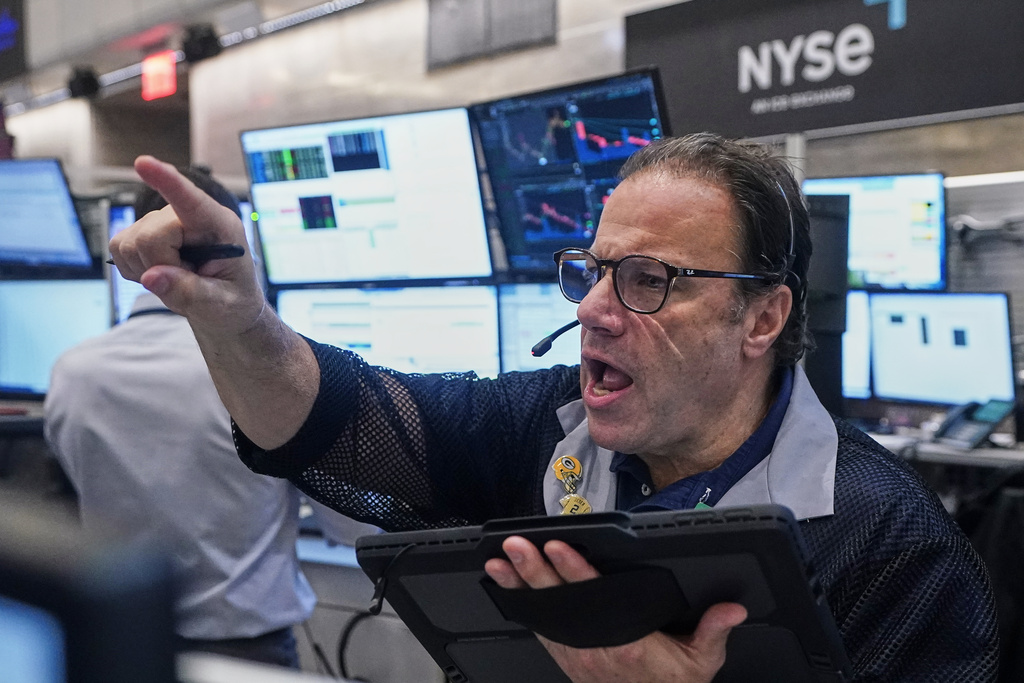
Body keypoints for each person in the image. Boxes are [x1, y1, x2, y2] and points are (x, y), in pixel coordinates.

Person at [109, 134, 999, 682]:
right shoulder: (545, 426)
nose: (595, 309)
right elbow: (332, 426)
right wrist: (236, 321)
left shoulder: (887, 541)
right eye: (595, 271)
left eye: (650, 279)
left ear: (762, 316)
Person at [45, 167, 375, 669]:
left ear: (138, 241)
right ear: (233, 244)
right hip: (248, 655)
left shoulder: (72, 372)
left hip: (118, 647)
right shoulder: (266, 375)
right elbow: (352, 526)